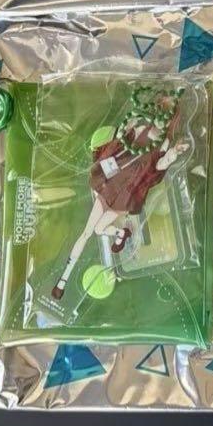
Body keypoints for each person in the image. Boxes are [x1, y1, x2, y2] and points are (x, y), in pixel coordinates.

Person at [51, 91, 189, 301]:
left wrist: (174, 153)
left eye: (167, 115)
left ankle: (117, 235)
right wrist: (128, 125)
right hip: (112, 182)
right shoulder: (140, 127)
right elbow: (120, 141)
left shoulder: (164, 143)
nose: (161, 117)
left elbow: (159, 166)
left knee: (96, 230)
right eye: (160, 110)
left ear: (171, 120)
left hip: (128, 192)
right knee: (90, 231)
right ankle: (64, 279)